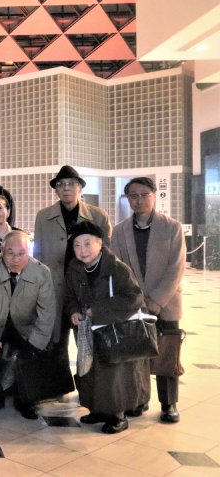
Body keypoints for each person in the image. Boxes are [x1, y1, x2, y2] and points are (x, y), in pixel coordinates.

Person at [111, 177, 186, 424]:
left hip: (166, 303)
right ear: (128, 199)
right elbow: (118, 268)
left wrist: (156, 300)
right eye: (133, 196)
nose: (139, 200)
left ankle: (169, 403)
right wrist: (138, 300)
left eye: (144, 195)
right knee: (137, 354)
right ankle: (139, 398)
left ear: (154, 195)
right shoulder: (119, 231)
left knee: (167, 354)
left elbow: (176, 268)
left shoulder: (172, 227)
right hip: (134, 303)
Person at [65, 221, 148, 434]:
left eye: (87, 244)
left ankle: (118, 415)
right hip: (88, 330)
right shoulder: (74, 267)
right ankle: (98, 410)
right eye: (77, 245)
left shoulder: (117, 268)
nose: (82, 250)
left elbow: (134, 297)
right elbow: (69, 296)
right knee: (89, 370)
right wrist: (73, 311)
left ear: (100, 243)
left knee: (113, 374)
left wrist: (97, 310)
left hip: (114, 331)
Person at [0, 231, 56, 419]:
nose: (16, 259)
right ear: (2, 251)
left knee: (32, 354)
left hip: (27, 326)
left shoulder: (42, 273)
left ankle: (26, 401)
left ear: (29, 252)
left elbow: (47, 314)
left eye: (21, 253)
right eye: (10, 253)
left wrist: (35, 342)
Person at [33, 166, 111, 361]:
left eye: (71, 184)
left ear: (80, 188)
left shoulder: (98, 216)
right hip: (54, 289)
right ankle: (59, 379)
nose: (66, 188)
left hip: (87, 289)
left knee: (89, 343)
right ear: (56, 190)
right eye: (60, 184)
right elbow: (38, 256)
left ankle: (87, 380)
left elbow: (107, 255)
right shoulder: (43, 216)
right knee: (55, 343)